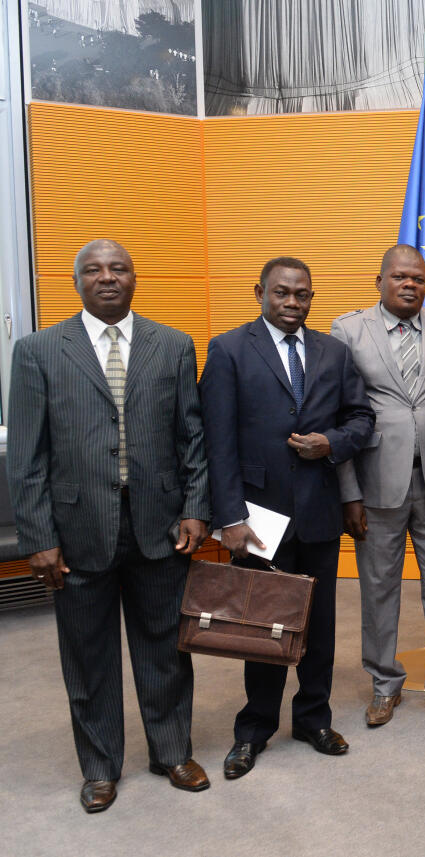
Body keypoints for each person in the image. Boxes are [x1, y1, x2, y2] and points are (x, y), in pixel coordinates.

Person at [6, 239, 211, 812]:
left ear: (134, 279)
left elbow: (191, 437)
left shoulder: (171, 345)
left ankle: (171, 751)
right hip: (75, 532)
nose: (107, 277)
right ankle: (99, 766)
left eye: (118, 267)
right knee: (88, 655)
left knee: (166, 647)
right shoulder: (39, 350)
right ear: (76, 282)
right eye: (93, 270)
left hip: (160, 526)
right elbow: (26, 457)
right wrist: (38, 539)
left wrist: (197, 508)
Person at [200, 256, 374, 778]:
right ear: (259, 292)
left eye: (302, 295)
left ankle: (312, 718)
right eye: (282, 293)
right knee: (264, 625)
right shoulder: (229, 350)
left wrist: (333, 443)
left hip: (319, 511)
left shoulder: (334, 352)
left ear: (311, 298)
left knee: (319, 626)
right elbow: (218, 441)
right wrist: (228, 516)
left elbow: (362, 417)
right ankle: (254, 729)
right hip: (258, 518)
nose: (292, 303)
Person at [330, 245, 425, 727]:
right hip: (375, 484)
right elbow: (341, 416)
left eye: (418, 277)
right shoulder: (349, 330)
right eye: (399, 277)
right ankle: (384, 684)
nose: (410, 284)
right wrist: (348, 492)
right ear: (380, 281)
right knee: (378, 588)